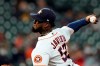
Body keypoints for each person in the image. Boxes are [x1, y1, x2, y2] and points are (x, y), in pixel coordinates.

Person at [30, 8, 97, 66]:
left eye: (38, 20)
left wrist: (86, 20)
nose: (35, 22)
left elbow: (71, 27)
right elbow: (71, 27)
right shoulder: (60, 32)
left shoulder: (41, 48)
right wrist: (86, 20)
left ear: (46, 24)